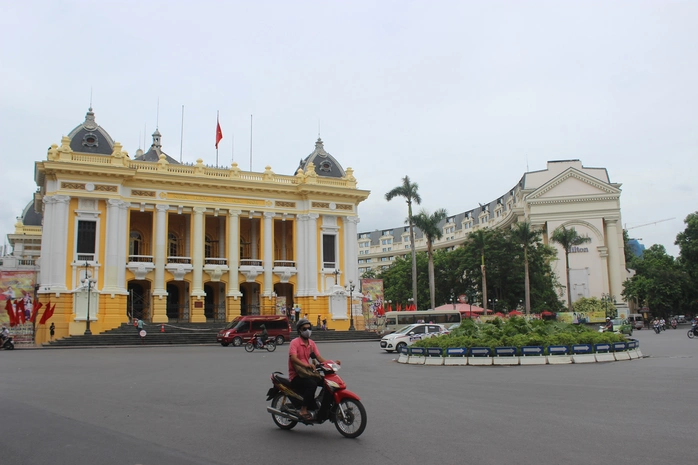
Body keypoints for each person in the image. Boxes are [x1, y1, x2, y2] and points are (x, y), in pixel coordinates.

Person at [288, 319, 340, 420]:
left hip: (307, 373)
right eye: (304, 329)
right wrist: (306, 365)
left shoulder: (311, 343)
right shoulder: (295, 343)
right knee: (312, 384)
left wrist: (333, 364)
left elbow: (319, 358)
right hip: (296, 375)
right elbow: (293, 358)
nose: (307, 330)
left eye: (309, 328)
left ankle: (319, 403)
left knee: (327, 382)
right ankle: (303, 409)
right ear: (299, 331)